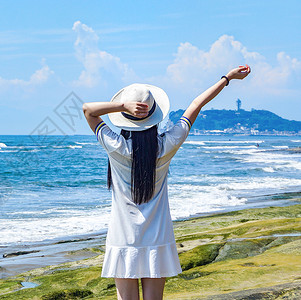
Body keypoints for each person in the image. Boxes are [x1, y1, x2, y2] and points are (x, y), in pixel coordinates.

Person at [82, 65, 251, 300]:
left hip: (123, 238)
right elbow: (195, 105)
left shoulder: (116, 147)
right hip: (157, 237)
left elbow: (87, 110)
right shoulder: (165, 146)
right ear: (154, 116)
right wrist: (227, 78)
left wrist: (123, 106)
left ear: (124, 120)